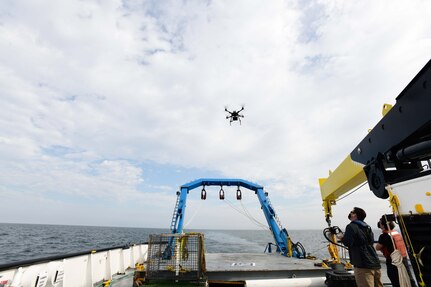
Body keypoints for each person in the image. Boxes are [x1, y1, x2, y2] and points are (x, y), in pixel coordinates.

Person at [338, 207, 383, 287]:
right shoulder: (367, 227)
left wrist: (342, 238)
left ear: (355, 215)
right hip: (375, 263)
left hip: (363, 266)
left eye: (352, 212)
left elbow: (348, 242)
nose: (350, 213)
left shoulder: (351, 226)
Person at [375, 215, 416, 287]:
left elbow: (377, 247)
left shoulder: (384, 236)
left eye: (380, 222)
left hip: (393, 262)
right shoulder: (396, 233)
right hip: (403, 258)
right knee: (408, 279)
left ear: (383, 225)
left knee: (396, 281)